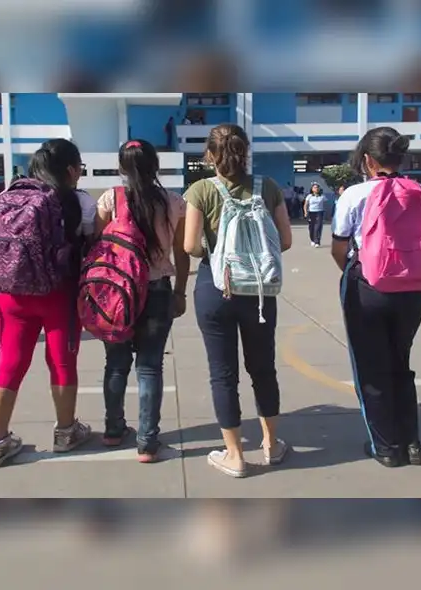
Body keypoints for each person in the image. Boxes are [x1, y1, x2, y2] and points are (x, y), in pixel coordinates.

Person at [182, 123, 293, 478]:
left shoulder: (201, 190)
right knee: (263, 369)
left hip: (216, 289)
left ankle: (234, 455)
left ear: (209, 155)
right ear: (245, 151)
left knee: (223, 374)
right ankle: (271, 445)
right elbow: (286, 240)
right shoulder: (268, 187)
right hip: (259, 291)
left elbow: (189, 245)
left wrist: (218, 253)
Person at [331, 126, 421, 468]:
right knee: (401, 364)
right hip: (413, 288)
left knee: (372, 368)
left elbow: (339, 247)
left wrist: (357, 272)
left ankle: (386, 446)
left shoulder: (354, 195)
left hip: (370, 288)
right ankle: (413, 444)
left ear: (367, 159)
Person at [0, 138, 93, 468]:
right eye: (80, 169)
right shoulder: (77, 201)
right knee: (61, 362)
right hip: (58, 293)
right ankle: (66, 433)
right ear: (72, 170)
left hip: (11, 294)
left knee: (10, 362)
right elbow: (92, 241)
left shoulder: (6, 195)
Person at [91, 139, 189, 463]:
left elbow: (97, 248)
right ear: (155, 167)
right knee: (149, 368)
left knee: (116, 363)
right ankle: (147, 442)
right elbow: (181, 252)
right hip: (157, 291)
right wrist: (179, 292)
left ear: (121, 168)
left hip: (116, 295)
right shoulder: (173, 202)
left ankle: (113, 429)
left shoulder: (110, 199)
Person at [303, 182, 327, 247]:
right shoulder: (309, 196)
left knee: (318, 227)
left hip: (320, 212)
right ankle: (312, 240)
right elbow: (305, 205)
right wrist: (305, 212)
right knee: (311, 227)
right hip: (311, 213)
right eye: (315, 187)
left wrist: (325, 214)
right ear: (312, 189)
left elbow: (325, 205)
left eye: (317, 187)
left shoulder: (322, 196)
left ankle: (317, 241)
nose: (316, 189)